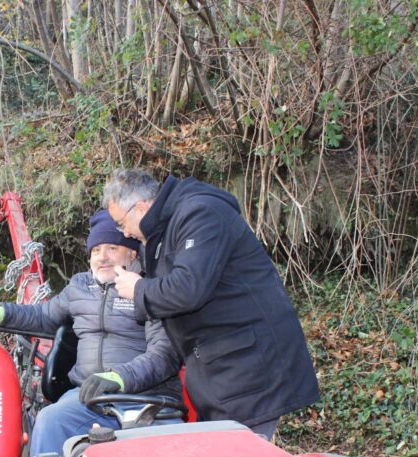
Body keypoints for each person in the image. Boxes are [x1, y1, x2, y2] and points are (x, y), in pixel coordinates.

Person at [0, 210, 182, 457]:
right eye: (96, 250)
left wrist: (118, 377)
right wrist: (0, 312)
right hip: (87, 397)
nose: (102, 257)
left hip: (143, 398)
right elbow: (43, 316)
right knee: (50, 419)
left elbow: (164, 355)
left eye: (111, 248)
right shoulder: (80, 287)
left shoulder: (149, 290)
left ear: (131, 252)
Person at [103, 168, 319, 440]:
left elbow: (188, 288)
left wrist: (138, 289)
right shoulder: (164, 230)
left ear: (142, 207)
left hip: (249, 369)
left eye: (122, 224)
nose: (125, 234)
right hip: (220, 372)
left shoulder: (201, 213)